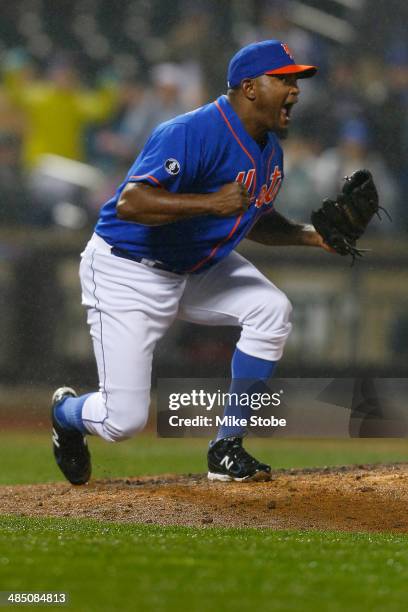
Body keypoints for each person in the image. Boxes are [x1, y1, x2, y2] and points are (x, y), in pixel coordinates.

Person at [51, 40, 332, 485]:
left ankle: (227, 446)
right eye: (284, 80)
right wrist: (209, 203)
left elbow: (254, 217)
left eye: (296, 80)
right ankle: (65, 414)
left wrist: (310, 236)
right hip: (128, 270)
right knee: (121, 421)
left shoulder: (269, 151)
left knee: (271, 310)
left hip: (195, 267)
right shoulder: (190, 131)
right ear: (250, 87)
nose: (295, 90)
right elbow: (130, 201)